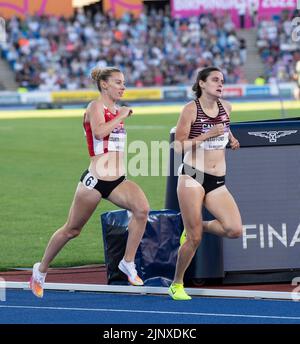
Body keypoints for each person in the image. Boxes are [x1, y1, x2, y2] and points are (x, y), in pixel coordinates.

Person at [30, 66, 150, 298]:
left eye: (124, 82)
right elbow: (98, 132)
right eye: (118, 82)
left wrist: (119, 114)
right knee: (72, 230)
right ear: (104, 84)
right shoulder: (96, 106)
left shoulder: (115, 109)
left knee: (142, 209)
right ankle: (41, 270)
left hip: (117, 180)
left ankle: (128, 262)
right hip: (94, 181)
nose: (123, 86)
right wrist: (122, 115)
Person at [168, 67, 243, 301]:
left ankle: (197, 224)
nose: (220, 84)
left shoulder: (227, 107)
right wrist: (206, 136)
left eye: (222, 80)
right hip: (193, 175)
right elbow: (178, 146)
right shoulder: (191, 110)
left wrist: (231, 139)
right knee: (195, 239)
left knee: (234, 230)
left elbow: (225, 131)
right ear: (201, 83)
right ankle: (177, 284)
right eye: (215, 80)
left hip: (217, 179)